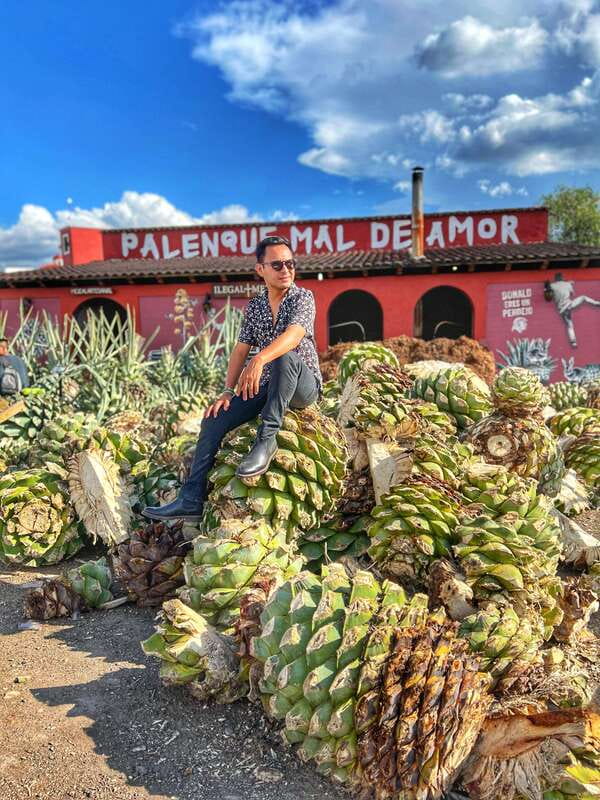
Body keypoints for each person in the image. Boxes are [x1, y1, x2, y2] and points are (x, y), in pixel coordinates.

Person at [143, 235, 322, 521]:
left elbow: (294, 336)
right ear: (260, 269)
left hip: (302, 385)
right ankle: (191, 499)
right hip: (266, 385)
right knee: (215, 417)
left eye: (290, 263)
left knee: (283, 356)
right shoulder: (255, 306)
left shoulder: (302, 298)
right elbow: (240, 351)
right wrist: (227, 391)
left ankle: (266, 440)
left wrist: (262, 357)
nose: (286, 269)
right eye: (277, 265)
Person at [546, 273, 600, 348]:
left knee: (569, 326)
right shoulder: (567, 284)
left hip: (562, 310)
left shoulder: (552, 286)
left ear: (555, 279)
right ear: (562, 278)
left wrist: (548, 287)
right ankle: (596, 303)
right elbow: (572, 294)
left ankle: (573, 342)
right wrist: (569, 284)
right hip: (569, 305)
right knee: (583, 297)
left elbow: (549, 294)